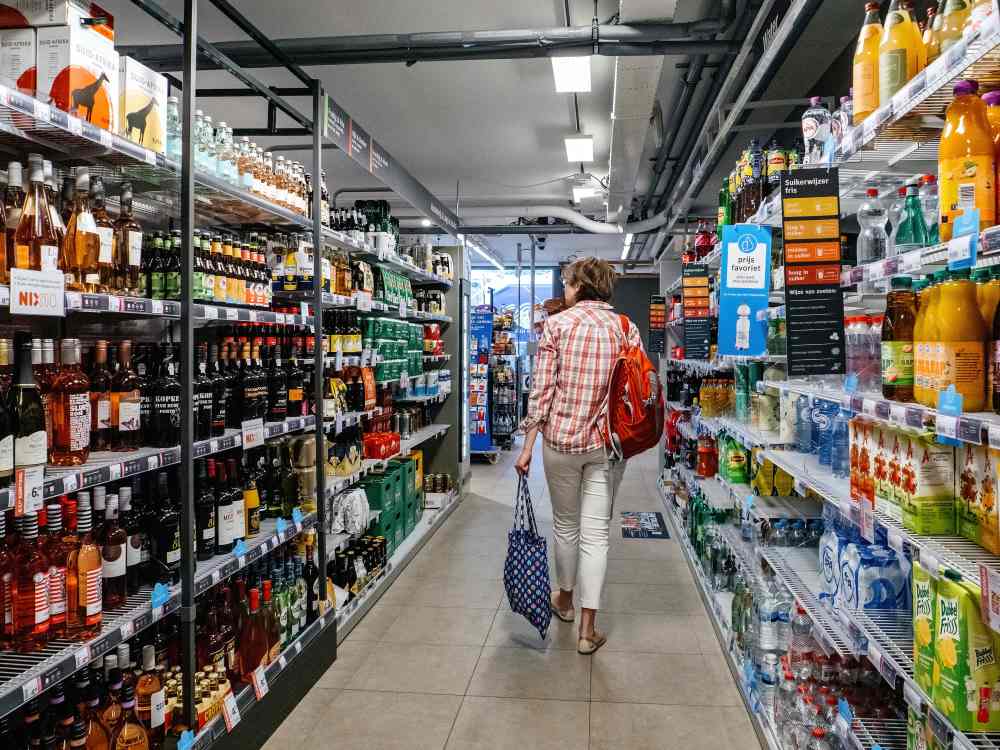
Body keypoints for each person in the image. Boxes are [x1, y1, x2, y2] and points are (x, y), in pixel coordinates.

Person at [515, 257, 641, 655]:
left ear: (581, 285)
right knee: (596, 534)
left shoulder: (556, 326)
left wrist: (528, 445)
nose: (565, 290)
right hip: (605, 446)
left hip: (560, 444)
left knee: (566, 527)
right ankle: (588, 629)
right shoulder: (625, 329)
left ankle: (564, 601)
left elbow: (542, 393)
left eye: (568, 283)